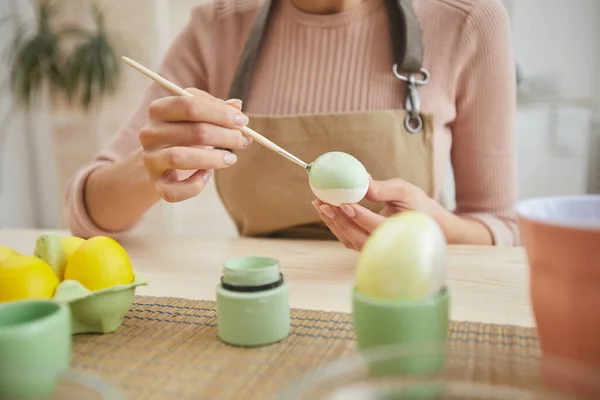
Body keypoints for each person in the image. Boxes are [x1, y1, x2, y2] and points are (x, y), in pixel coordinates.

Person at [64, 0, 520, 249]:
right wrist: (151, 169)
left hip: (407, 302)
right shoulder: (216, 27)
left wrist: (434, 229)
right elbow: (85, 215)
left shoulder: (468, 21)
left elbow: (500, 226)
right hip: (264, 303)